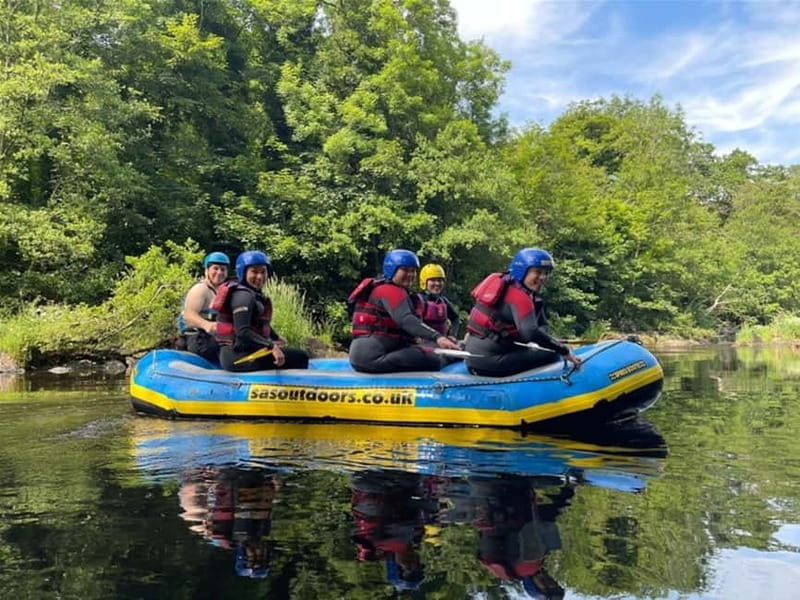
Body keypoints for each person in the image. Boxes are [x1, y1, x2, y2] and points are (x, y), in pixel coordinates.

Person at [465, 248, 581, 377]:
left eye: (546, 273)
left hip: (476, 357)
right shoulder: (519, 297)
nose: (543, 277)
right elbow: (530, 333)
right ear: (522, 271)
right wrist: (563, 350)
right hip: (489, 362)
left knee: (549, 347)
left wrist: (554, 342)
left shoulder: (514, 289)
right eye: (537, 272)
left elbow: (542, 327)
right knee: (552, 354)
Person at [347, 249, 459, 373]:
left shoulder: (383, 288)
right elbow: (405, 319)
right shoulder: (389, 291)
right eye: (405, 270)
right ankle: (453, 356)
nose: (410, 274)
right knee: (434, 359)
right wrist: (438, 337)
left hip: (366, 355)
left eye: (413, 271)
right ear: (392, 270)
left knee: (422, 350)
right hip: (375, 357)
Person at [214, 250, 309, 371]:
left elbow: (260, 324)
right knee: (300, 357)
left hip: (245, 352)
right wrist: (271, 345)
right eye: (254, 271)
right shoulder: (243, 297)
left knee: (293, 354)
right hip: (237, 357)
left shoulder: (253, 294)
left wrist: (276, 338)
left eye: (263, 272)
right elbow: (242, 332)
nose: (259, 277)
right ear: (243, 272)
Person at [178, 251, 230, 362]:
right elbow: (188, 316)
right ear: (207, 270)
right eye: (215, 268)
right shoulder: (200, 289)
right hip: (197, 339)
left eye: (223, 269)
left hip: (212, 339)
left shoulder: (222, 292)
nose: (219, 272)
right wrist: (207, 325)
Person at [416, 263, 461, 339]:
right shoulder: (418, 300)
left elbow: (455, 318)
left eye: (440, 280)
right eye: (433, 280)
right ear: (424, 282)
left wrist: (452, 335)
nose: (437, 283)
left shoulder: (443, 301)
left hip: (441, 342)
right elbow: (413, 323)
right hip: (423, 343)